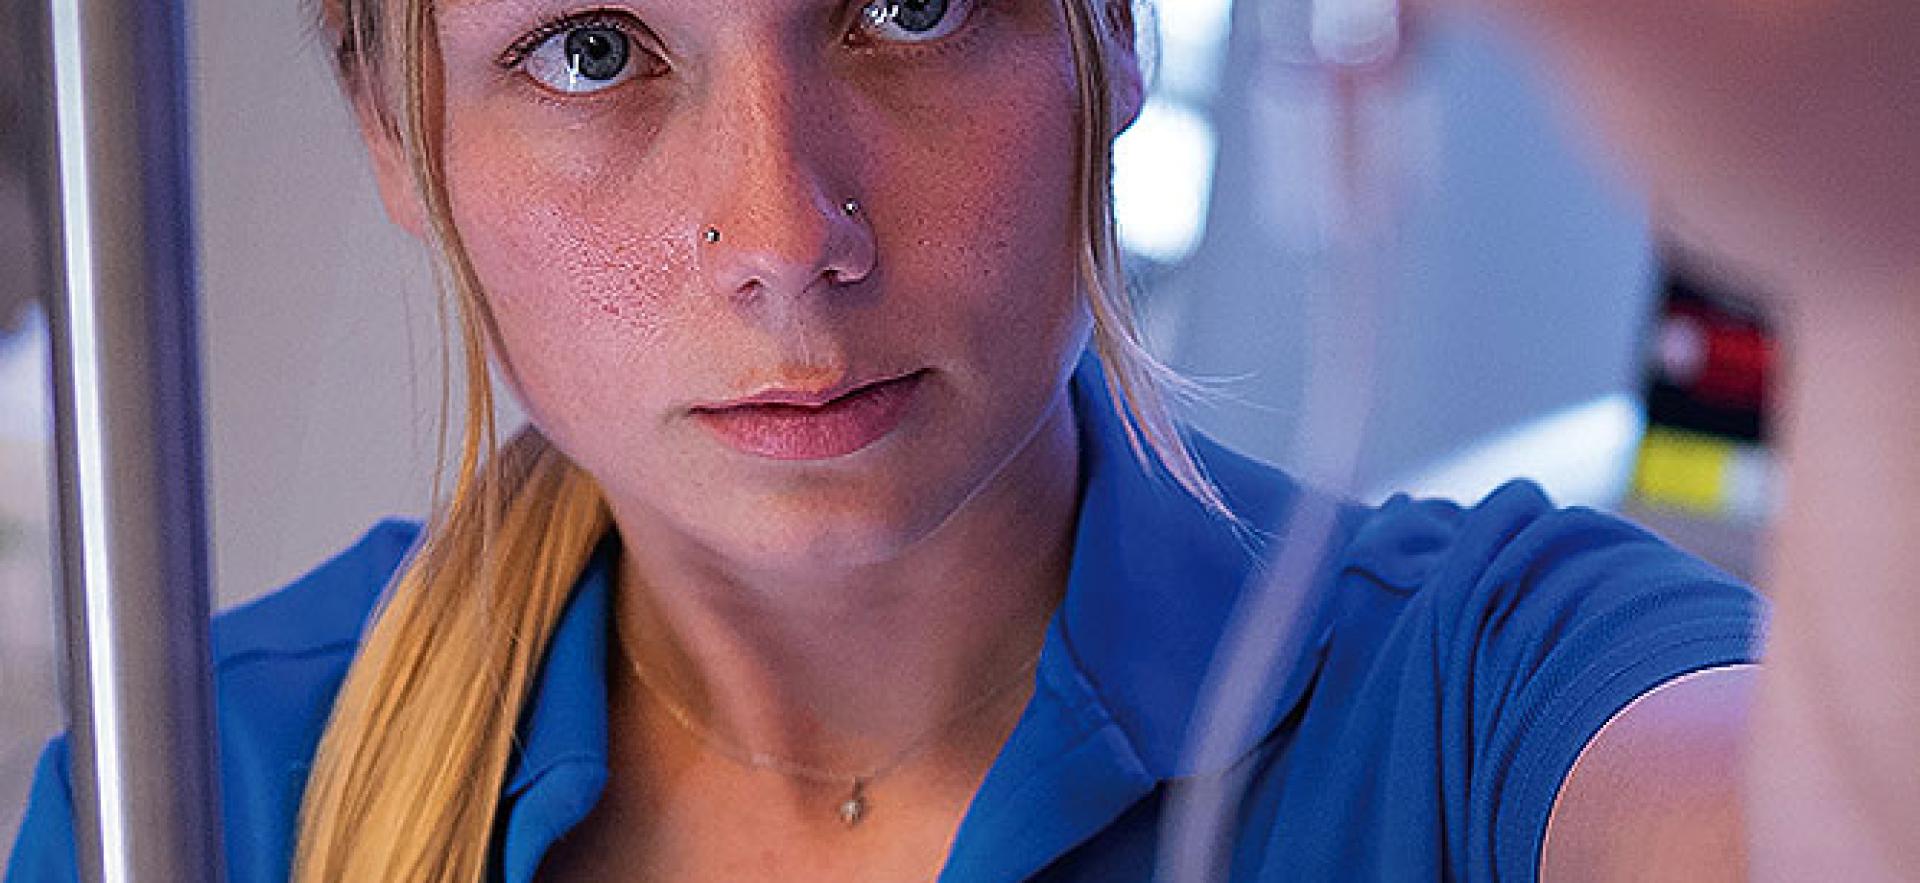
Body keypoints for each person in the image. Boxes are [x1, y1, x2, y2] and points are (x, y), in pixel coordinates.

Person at [16, 0, 1871, 880]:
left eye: (908, 1)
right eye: (593, 51)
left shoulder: (1478, 703)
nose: (785, 234)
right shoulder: (205, 800)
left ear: (1115, 36)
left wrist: (1883, 242)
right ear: (397, 129)